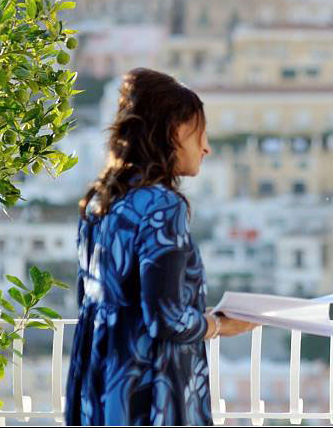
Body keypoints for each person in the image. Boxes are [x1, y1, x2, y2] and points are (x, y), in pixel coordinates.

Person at [65, 68, 255, 426]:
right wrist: (217, 325)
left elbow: (97, 300)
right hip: (148, 390)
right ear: (173, 133)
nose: (206, 146)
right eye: (200, 132)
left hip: (100, 381)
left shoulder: (99, 201)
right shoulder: (162, 206)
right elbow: (164, 320)